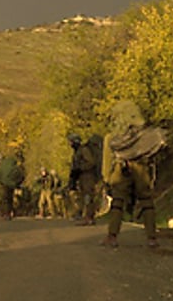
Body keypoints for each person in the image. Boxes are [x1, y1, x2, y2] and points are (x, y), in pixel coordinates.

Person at [100, 100, 167, 249]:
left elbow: (107, 160)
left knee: (117, 202)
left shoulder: (111, 137)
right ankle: (152, 238)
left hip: (120, 168)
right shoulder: (144, 135)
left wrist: (106, 178)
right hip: (141, 167)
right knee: (146, 201)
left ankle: (112, 236)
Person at [69, 133, 102, 226]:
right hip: (82, 177)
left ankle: (89, 217)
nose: (70, 144)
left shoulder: (84, 150)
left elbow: (91, 162)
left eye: (71, 142)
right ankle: (87, 216)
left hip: (88, 176)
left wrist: (80, 167)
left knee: (88, 197)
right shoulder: (77, 151)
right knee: (84, 197)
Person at [0, 149, 25, 220]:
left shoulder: (2, 166)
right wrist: (17, 183)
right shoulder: (15, 167)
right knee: (10, 198)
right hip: (12, 185)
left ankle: (5, 213)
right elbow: (21, 175)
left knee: (4, 199)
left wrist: (0, 181)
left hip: (4, 184)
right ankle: (10, 213)